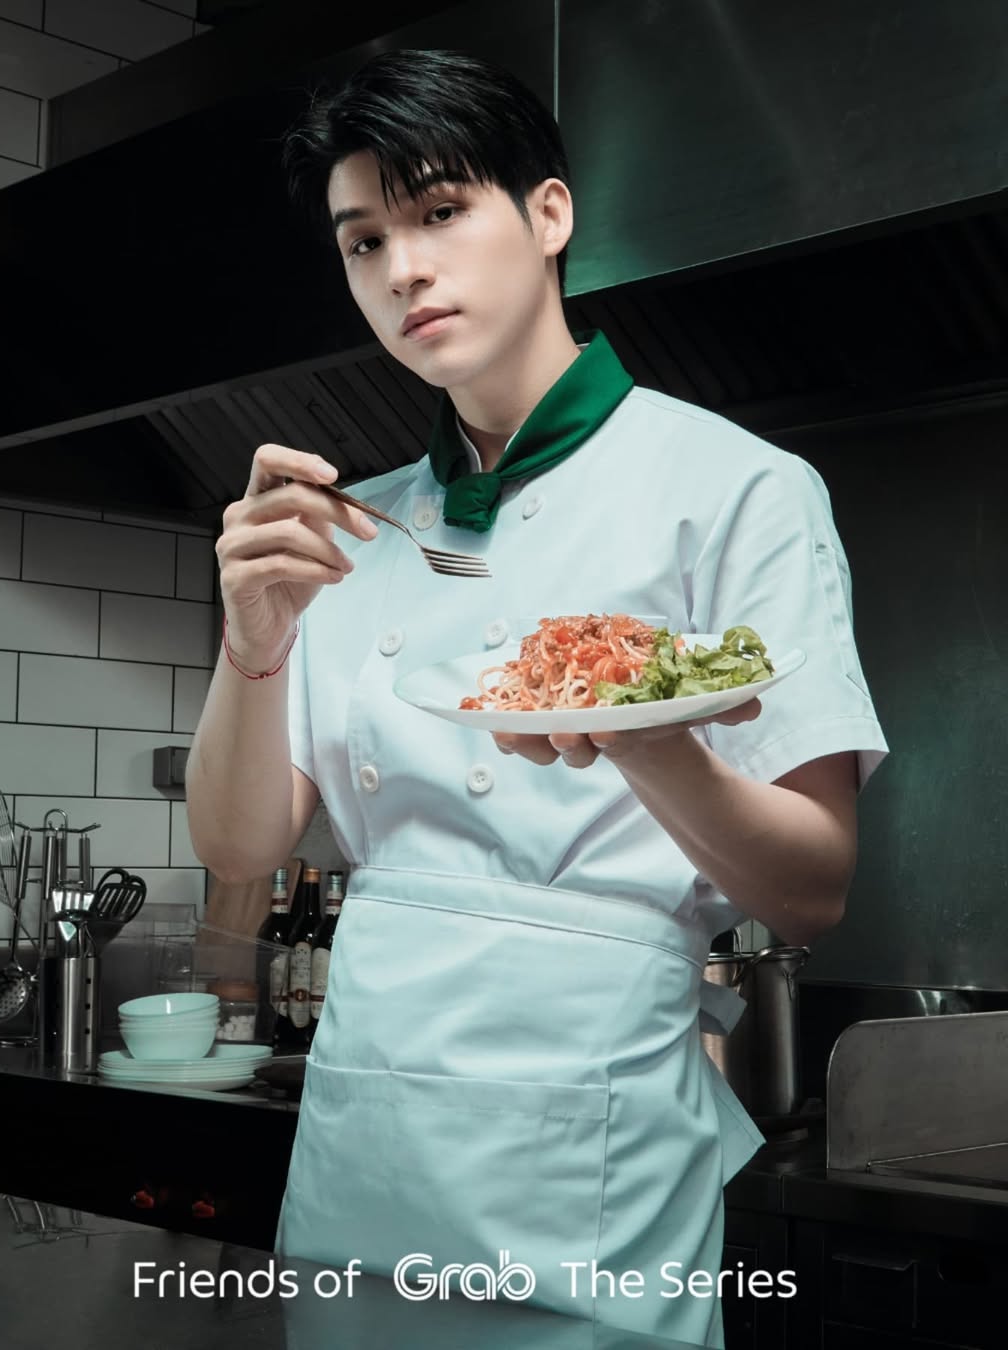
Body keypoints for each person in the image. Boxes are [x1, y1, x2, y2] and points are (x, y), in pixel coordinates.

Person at [186, 48, 888, 1348]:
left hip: (593, 1157)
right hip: (365, 1155)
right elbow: (238, 847)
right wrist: (252, 641)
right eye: (364, 240)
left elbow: (813, 888)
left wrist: (648, 740)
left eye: (441, 210)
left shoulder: (736, 490)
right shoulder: (349, 530)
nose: (403, 269)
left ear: (550, 213)